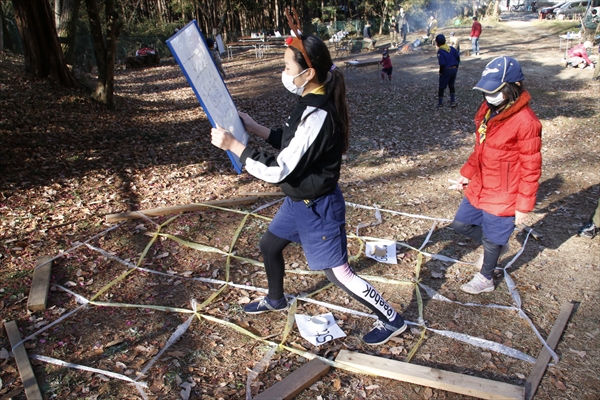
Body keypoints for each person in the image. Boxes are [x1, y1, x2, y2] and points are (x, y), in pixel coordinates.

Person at [210, 25, 407, 345]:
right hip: (298, 201)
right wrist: (256, 128)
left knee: (338, 273)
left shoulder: (319, 112)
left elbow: (280, 169)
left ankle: (391, 318)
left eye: (288, 67)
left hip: (319, 208)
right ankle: (275, 299)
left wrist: (235, 146)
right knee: (269, 246)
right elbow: (293, 143)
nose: (283, 72)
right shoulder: (310, 96)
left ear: (308, 72)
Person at [449, 56, 542, 294]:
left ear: (515, 87)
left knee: (492, 238)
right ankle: (497, 247)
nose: (489, 96)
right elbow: (480, 148)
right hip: (480, 185)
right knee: (461, 224)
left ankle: (486, 278)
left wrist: (523, 205)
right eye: (486, 91)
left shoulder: (526, 122)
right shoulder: (488, 112)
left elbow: (531, 167)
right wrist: (467, 173)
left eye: (496, 91)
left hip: (504, 192)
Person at [435, 34, 460, 108]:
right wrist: (456, 66)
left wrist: (441, 72)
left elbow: (442, 64)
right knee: (451, 85)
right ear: (445, 41)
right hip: (454, 69)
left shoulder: (440, 52)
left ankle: (440, 103)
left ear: (437, 43)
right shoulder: (451, 48)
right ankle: (452, 101)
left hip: (446, 70)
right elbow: (458, 57)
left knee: (441, 87)